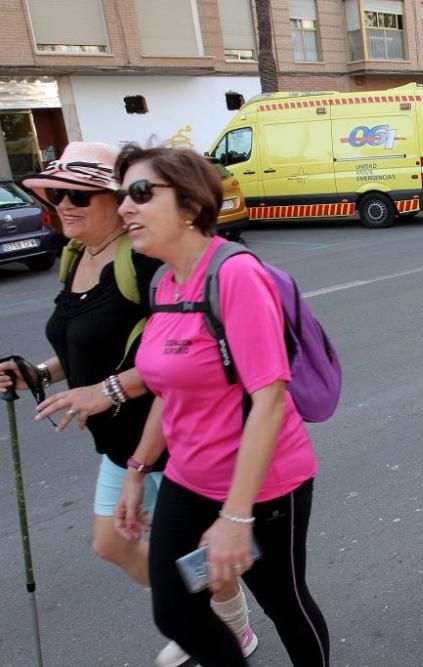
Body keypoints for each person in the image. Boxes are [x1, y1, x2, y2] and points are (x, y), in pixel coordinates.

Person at [0, 142, 255, 667]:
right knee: (112, 544)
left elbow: (192, 352)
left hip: (171, 436)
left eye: (78, 195)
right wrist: (38, 373)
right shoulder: (76, 257)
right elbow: (84, 344)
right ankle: (201, 619)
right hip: (119, 442)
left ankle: (223, 627)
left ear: (112, 201)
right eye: (54, 195)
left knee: (212, 552)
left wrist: (108, 391)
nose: (63, 205)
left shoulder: (141, 262)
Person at [112, 145, 329, 666]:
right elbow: (172, 389)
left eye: (141, 194)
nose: (124, 208)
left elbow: (270, 399)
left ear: (189, 205)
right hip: (189, 478)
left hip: (266, 484)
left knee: (284, 602)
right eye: (123, 196)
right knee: (175, 611)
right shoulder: (165, 282)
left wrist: (237, 516)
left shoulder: (234, 275)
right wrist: (138, 469)